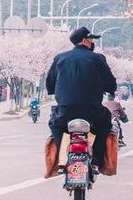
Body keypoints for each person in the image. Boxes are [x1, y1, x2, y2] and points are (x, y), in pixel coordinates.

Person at [45, 26, 117, 167]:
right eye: (90, 39)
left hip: (66, 110)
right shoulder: (97, 59)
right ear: (84, 41)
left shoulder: (60, 58)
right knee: (105, 123)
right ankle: (96, 159)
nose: (92, 43)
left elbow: (50, 84)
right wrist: (109, 89)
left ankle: (62, 157)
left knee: (55, 125)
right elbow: (110, 83)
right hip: (92, 110)